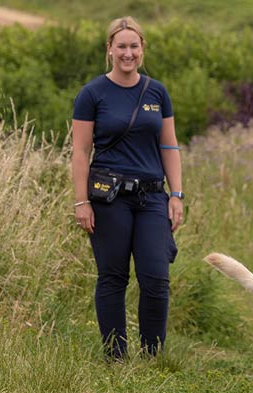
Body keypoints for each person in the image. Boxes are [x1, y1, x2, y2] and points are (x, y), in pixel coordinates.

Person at [71, 16, 184, 359]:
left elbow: (169, 146)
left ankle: (153, 356)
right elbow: (80, 151)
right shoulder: (92, 94)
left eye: (134, 46)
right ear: (109, 49)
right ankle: (115, 357)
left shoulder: (156, 92)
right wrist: (81, 202)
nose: (128, 53)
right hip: (108, 198)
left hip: (152, 196)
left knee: (155, 279)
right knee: (113, 277)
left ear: (142, 49)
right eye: (121, 46)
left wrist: (176, 195)